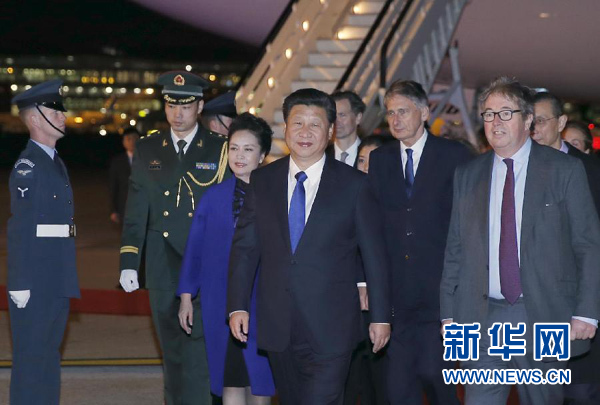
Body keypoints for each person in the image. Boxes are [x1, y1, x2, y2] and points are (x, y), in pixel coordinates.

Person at [440, 77, 600, 405]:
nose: (495, 122)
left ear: (528, 120)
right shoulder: (468, 175)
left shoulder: (564, 170)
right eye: (488, 114)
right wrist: (448, 314)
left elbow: (587, 244)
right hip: (479, 315)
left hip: (546, 314)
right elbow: (455, 248)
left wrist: (586, 312)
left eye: (505, 113)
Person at [227, 88, 391, 405]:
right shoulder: (263, 181)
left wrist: (381, 316)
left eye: (315, 124)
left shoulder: (355, 185)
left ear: (330, 132)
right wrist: (238, 305)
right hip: (278, 323)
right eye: (297, 123)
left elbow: (375, 256)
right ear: (285, 128)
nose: (305, 132)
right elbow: (245, 249)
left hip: (332, 327)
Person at [119, 71, 230, 404]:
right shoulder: (148, 147)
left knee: (199, 349)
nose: (177, 114)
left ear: (200, 107)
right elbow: (136, 210)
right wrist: (129, 261)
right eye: (171, 105)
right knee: (171, 351)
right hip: (161, 262)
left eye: (185, 106)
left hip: (204, 262)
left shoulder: (219, 148)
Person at [367, 80, 472, 405]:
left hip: (440, 295)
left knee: (437, 378)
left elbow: (468, 223)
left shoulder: (454, 155)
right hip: (397, 295)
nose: (395, 119)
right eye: (390, 113)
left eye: (403, 111)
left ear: (424, 113)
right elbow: (373, 225)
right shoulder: (381, 159)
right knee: (398, 390)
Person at [177, 112, 275, 404]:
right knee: (229, 376)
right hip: (219, 300)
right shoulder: (213, 197)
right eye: (234, 148)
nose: (239, 156)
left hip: (263, 300)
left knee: (260, 381)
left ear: (263, 155)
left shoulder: (275, 197)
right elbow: (194, 249)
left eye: (248, 149)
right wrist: (186, 296)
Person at [7, 79, 80, 405]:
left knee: (49, 358)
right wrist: (20, 282)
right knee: (31, 361)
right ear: (35, 118)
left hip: (55, 276)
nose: (63, 116)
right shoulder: (28, 166)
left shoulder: (53, 161)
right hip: (35, 280)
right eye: (55, 111)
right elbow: (21, 227)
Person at [532, 91, 600, 404]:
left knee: (581, 391)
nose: (534, 129)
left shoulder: (589, 171)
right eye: (529, 121)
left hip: (580, 300)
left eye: (540, 120)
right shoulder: (516, 168)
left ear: (560, 122)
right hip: (534, 302)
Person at [109, 127, 139, 226]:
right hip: (124, 207)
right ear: (123, 142)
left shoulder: (148, 160)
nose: (132, 142)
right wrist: (113, 210)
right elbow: (113, 186)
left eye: (135, 138)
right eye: (128, 139)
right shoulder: (117, 162)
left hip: (144, 207)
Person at [326, 90, 365, 167]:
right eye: (333, 115)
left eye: (342, 115)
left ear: (358, 118)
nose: (336, 121)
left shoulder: (371, 154)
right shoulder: (321, 156)